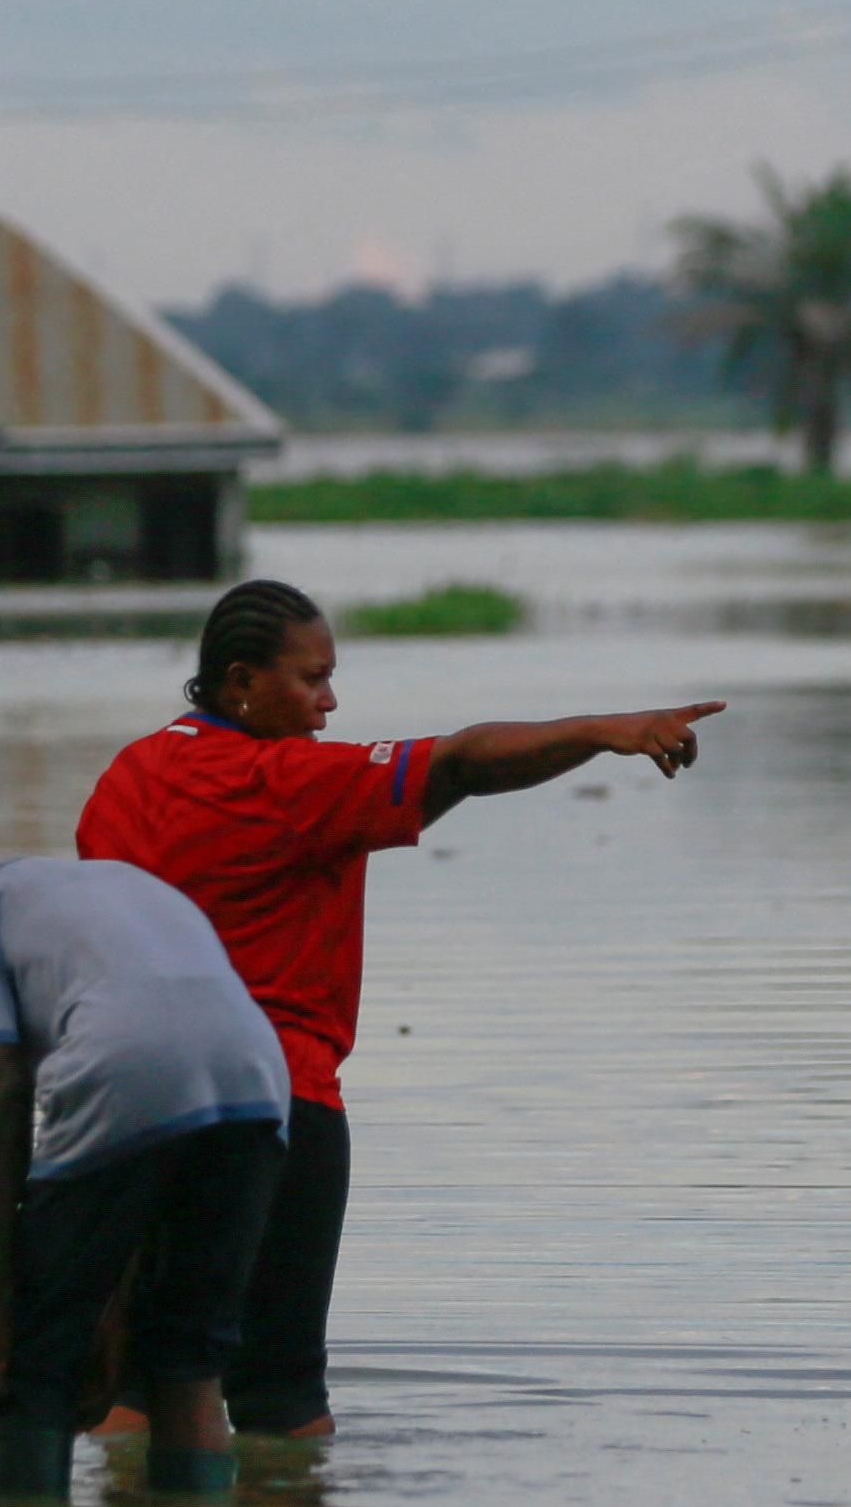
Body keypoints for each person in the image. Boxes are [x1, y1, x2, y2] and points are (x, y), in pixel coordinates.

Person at [77, 579, 721, 1438]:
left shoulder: (127, 776)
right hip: (277, 1100)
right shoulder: (286, 782)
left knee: (143, 1389)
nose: (329, 702)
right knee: (281, 1393)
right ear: (241, 681)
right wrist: (605, 732)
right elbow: (462, 761)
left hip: (139, 1108)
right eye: (312, 680)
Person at [0, 855, 292, 1500]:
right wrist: (110, 1315)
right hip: (255, 1075)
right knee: (188, 1359)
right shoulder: (114, 891)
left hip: (125, 1059)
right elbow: (140, 1171)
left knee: (27, 1362)